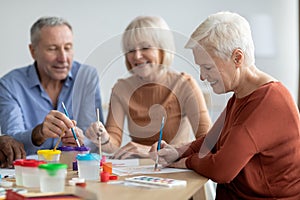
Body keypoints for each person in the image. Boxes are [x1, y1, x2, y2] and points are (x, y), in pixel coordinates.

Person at [149, 11, 300, 199]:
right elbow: (209, 143)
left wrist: (186, 162)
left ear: (237, 58)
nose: (202, 76)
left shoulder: (270, 102)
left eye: (208, 67)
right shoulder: (239, 97)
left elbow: (222, 169)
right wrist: (177, 152)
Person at [86, 15, 211, 159]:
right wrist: (103, 138)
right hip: (138, 173)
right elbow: (113, 143)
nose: (137, 56)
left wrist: (150, 151)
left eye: (145, 47)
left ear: (163, 49)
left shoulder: (184, 85)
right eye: (130, 50)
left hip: (178, 169)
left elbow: (207, 142)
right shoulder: (121, 88)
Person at [0, 16, 104, 155]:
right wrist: (39, 133)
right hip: (31, 172)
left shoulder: (86, 77)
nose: (63, 58)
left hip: (76, 170)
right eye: (52, 49)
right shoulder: (9, 85)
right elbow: (12, 143)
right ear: (33, 51)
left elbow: (96, 140)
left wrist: (82, 140)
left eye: (68, 48)